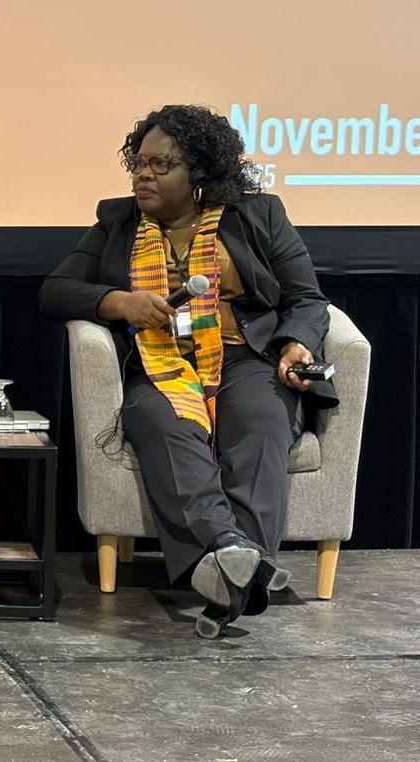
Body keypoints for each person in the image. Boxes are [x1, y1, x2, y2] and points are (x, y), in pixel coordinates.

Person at [40, 105, 337, 638]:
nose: (143, 175)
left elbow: (307, 299)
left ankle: (228, 573)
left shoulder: (257, 215)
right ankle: (235, 556)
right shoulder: (117, 221)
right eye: (139, 163)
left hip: (244, 357)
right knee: (168, 425)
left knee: (260, 422)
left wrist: (295, 344)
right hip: (159, 364)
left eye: (161, 165)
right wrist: (121, 303)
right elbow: (56, 291)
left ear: (200, 174)